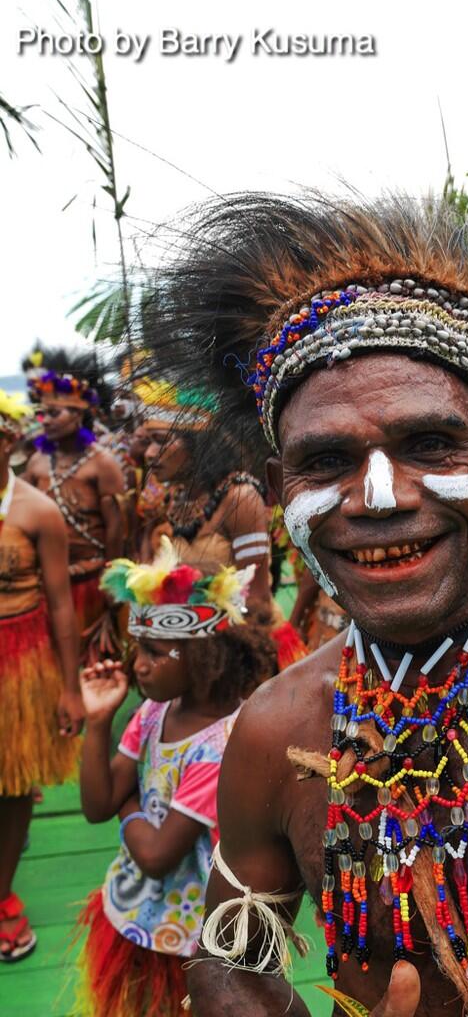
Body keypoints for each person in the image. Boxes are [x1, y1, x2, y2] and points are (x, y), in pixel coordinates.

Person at [140, 181, 468, 1015]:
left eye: (428, 444)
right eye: (327, 462)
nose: (381, 497)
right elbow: (230, 960)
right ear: (284, 487)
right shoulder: (275, 728)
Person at [74, 539, 277, 1017]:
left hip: (193, 937)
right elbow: (95, 805)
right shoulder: (153, 711)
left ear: (203, 656)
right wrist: (99, 721)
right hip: (139, 916)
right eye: (137, 650)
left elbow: (156, 855)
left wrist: (130, 805)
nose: (138, 663)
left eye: (154, 652)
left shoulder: (223, 745)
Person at [135, 377, 307, 670]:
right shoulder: (174, 497)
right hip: (193, 650)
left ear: (198, 445)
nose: (149, 454)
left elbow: (255, 601)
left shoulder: (239, 498)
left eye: (161, 442)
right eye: (148, 442)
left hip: (241, 652)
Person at [0, 389, 82, 962]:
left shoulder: (35, 510)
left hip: (20, 665)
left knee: (11, 782)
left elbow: (60, 604)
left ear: (7, 440)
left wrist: (70, 688)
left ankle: (2, 895)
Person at [22, 348, 125, 652]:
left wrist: (111, 583)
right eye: (42, 413)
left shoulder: (102, 464)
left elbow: (117, 531)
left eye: (54, 413)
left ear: (79, 414)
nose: (45, 421)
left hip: (91, 584)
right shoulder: (37, 463)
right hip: (45, 582)